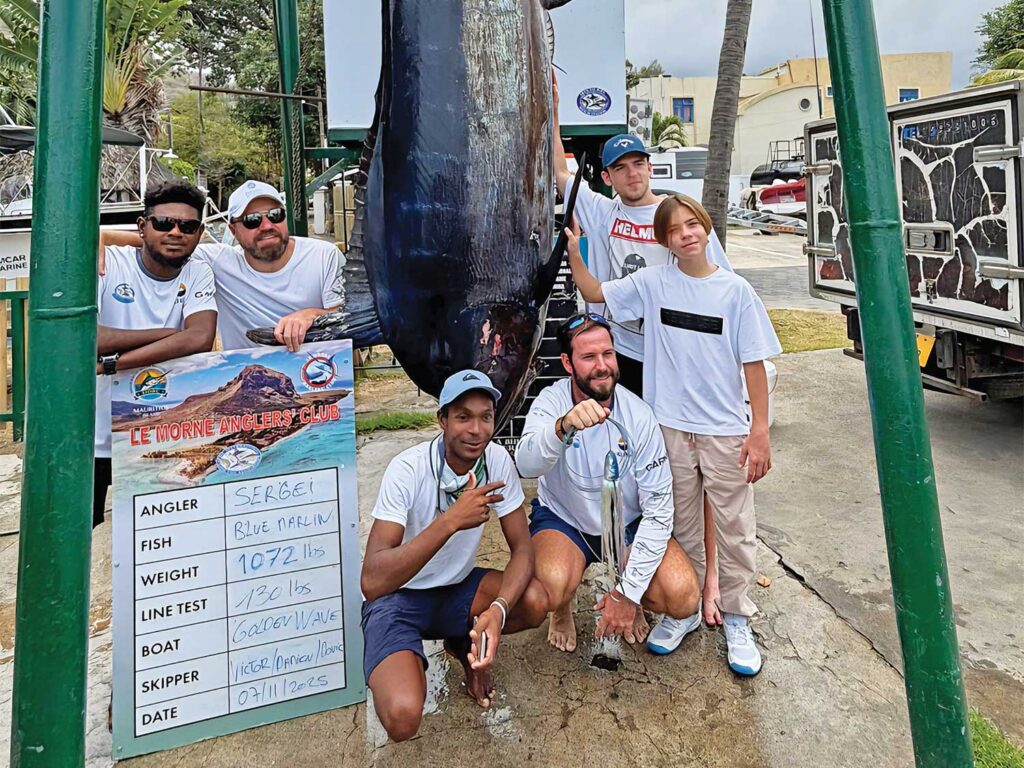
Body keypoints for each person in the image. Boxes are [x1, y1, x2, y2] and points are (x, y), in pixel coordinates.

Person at [566, 194, 782, 676]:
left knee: (736, 529)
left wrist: (760, 431)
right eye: (674, 230)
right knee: (682, 526)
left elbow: (754, 365)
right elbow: (597, 292)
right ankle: (683, 616)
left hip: (726, 430)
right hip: (671, 428)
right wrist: (576, 255)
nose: (686, 234)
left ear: (706, 228)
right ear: (664, 241)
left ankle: (736, 616)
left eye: (693, 224)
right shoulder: (652, 282)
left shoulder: (735, 291)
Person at [552, 74, 730, 625]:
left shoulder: (680, 217)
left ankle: (709, 580)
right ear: (607, 177)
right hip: (624, 355)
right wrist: (553, 110)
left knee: (692, 470)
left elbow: (719, 290)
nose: (633, 174)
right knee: (632, 457)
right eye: (621, 167)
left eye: (640, 163)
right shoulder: (604, 212)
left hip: (680, 359)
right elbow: (562, 170)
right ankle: (634, 555)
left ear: (650, 167)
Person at [360, 370, 548, 741]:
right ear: (442, 419)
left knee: (535, 599)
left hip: (457, 591)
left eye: (486, 417)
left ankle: (462, 641)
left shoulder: (496, 461)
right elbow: (372, 581)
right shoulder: (407, 469)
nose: (476, 430)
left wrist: (498, 610)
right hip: (399, 600)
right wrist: (450, 522)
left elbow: (523, 550)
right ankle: (406, 653)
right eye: (463, 416)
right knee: (402, 717)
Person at [515, 313, 701, 654]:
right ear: (568, 363)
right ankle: (562, 611)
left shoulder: (639, 415)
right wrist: (562, 428)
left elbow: (659, 509)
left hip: (627, 523)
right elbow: (526, 465)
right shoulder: (550, 403)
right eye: (588, 357)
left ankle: (637, 596)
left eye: (608, 354)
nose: (602, 366)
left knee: (683, 596)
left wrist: (627, 593)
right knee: (546, 589)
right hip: (566, 520)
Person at [94, 180, 217, 527]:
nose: (176, 232)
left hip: (160, 434)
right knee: (82, 535)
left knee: (162, 535)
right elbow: (88, 337)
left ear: (199, 232)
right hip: (94, 435)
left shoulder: (197, 271)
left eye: (188, 226)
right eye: (164, 223)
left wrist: (112, 364)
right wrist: (168, 335)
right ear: (142, 226)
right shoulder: (107, 263)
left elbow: (201, 339)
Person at [101, 180, 342, 352]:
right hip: (247, 377)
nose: (266, 225)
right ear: (233, 230)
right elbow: (165, 242)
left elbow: (350, 315)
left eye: (275, 215)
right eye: (252, 220)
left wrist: (312, 314)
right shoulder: (219, 261)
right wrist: (102, 237)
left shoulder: (324, 255)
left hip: (315, 371)